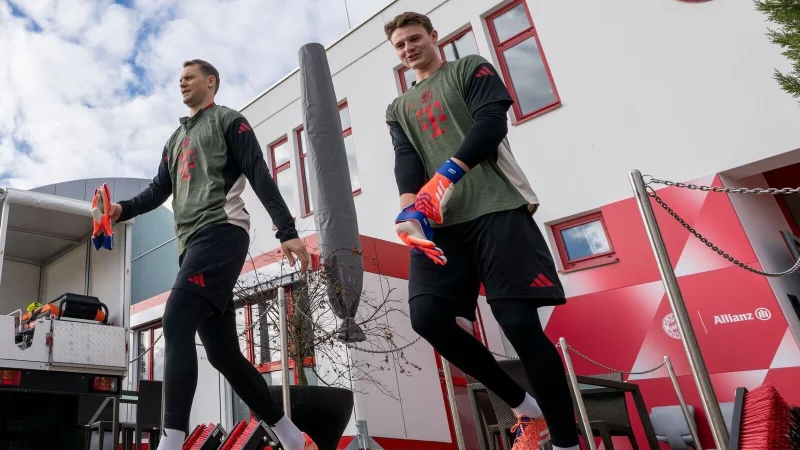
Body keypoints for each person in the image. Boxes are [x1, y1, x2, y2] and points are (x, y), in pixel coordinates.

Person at [385, 12, 581, 450]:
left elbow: (491, 123)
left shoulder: (469, 68)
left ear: (433, 37)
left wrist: (447, 175)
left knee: (518, 325)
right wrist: (407, 211)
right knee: (427, 318)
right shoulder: (397, 108)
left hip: (496, 208)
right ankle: (526, 408)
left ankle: (566, 443)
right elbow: (406, 159)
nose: (408, 48)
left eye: (414, 38)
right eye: (400, 45)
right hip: (440, 226)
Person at [109, 59, 317, 450]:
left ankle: (171, 441)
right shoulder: (175, 139)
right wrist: (122, 209)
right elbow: (157, 190)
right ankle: (294, 439)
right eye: (179, 79)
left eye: (189, 77)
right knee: (223, 356)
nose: (182, 83)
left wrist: (287, 230)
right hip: (191, 245)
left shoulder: (228, 120)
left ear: (211, 81)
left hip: (222, 232)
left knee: (176, 318)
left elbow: (258, 171)